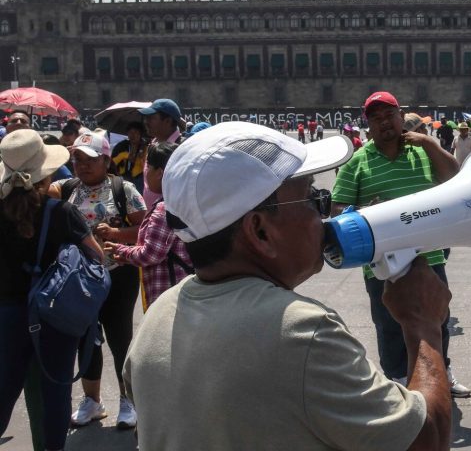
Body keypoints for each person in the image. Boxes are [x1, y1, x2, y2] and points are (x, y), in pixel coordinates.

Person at [123, 122, 452, 450]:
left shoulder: (157, 316)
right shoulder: (302, 332)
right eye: (312, 198)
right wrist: (423, 325)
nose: (323, 215)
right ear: (260, 230)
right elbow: (427, 440)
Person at [331, 91, 470, 398]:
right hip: (381, 263)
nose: (384, 124)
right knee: (390, 325)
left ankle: (441, 373)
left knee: (438, 318)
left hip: (428, 256)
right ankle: (397, 381)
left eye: (389, 116)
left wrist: (430, 145)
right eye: (376, 119)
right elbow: (338, 211)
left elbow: (455, 180)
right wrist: (369, 214)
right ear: (368, 126)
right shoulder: (357, 162)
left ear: (401, 116)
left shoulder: (422, 151)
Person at [0, 130, 104, 451]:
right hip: (55, 314)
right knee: (56, 391)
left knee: (4, 390)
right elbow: (96, 258)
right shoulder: (61, 213)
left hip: (5, 316)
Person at [50, 132, 147, 430]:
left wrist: (116, 235)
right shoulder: (66, 189)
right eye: (77, 159)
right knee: (86, 339)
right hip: (79, 279)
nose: (81, 165)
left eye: (89, 159)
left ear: (105, 160)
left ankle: (128, 399)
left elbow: (145, 229)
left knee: (120, 337)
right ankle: (92, 401)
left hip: (118, 274)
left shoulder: (123, 189)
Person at [106, 143, 192, 311]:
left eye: (147, 166)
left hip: (166, 297)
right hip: (181, 291)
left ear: (160, 173)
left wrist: (121, 250)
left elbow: (150, 255)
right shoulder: (183, 201)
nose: (145, 171)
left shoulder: (163, 208)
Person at [138, 99, 184, 209]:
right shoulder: (153, 144)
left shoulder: (181, 149)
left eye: (151, 118)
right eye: (146, 118)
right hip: (151, 216)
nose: (146, 122)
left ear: (167, 121)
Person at [110, 121, 148, 193]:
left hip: (139, 181)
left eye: (136, 132)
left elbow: (146, 167)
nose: (133, 135)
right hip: (122, 178)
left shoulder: (145, 147)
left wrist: (141, 159)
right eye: (130, 132)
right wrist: (125, 155)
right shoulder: (121, 146)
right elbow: (112, 163)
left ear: (140, 134)